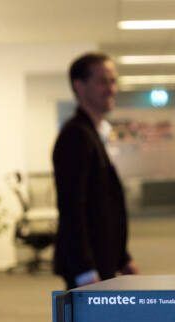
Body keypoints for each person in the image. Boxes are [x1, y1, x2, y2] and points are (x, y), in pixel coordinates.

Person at [53, 52, 137, 289]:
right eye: (102, 82)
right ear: (79, 86)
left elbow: (104, 203)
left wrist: (122, 257)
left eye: (113, 81)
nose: (111, 89)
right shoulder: (75, 136)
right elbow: (72, 207)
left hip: (103, 258)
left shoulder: (95, 133)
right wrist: (84, 270)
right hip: (88, 267)